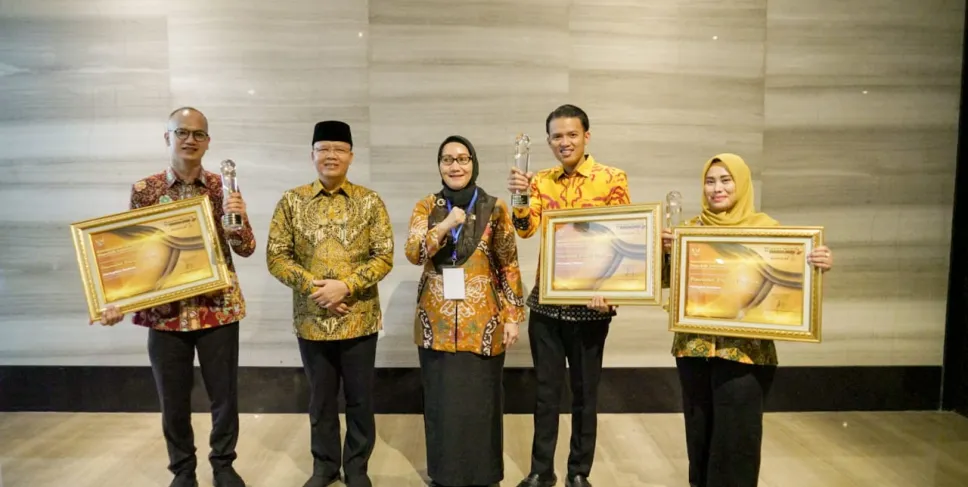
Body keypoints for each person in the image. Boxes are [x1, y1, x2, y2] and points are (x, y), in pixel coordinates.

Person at [98, 107, 255, 487]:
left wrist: (236, 220)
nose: (190, 140)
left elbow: (247, 248)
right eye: (182, 132)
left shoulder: (223, 187)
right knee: (173, 400)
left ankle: (223, 466)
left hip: (217, 309)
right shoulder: (145, 190)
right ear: (167, 137)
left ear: (208, 142)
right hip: (165, 314)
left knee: (224, 397)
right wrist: (118, 299)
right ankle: (183, 471)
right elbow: (134, 254)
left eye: (198, 134)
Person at [660, 153, 834, 487]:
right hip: (694, 349)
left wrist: (818, 261)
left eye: (726, 180)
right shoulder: (690, 231)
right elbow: (669, 283)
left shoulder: (766, 230)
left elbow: (792, 271)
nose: (717, 188)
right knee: (700, 436)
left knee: (737, 439)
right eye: (710, 181)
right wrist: (666, 254)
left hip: (747, 354)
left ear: (741, 184)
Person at [507, 105, 630, 487]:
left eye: (572, 134)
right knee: (545, 394)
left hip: (592, 305)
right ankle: (541, 470)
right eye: (557, 136)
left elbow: (624, 236)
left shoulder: (612, 179)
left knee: (585, 394)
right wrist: (520, 197)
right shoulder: (540, 181)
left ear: (586, 136)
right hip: (547, 303)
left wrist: (611, 292)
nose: (565, 142)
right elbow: (525, 229)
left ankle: (579, 472)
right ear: (548, 141)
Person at [266, 120, 394, 487]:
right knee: (320, 399)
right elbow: (277, 257)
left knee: (360, 398)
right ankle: (324, 466)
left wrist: (346, 287)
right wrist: (317, 290)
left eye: (339, 149)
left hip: (359, 317)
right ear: (312, 155)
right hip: (312, 320)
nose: (331, 155)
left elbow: (384, 256)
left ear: (351, 156)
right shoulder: (291, 202)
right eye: (323, 149)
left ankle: (357, 468)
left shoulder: (370, 201)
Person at [404, 135, 526, 487]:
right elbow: (414, 253)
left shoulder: (495, 207)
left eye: (462, 158)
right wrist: (444, 226)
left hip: (483, 324)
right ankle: (444, 475)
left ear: (473, 163)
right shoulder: (426, 206)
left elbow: (508, 265)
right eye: (447, 159)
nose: (455, 166)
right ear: (439, 166)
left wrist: (512, 317)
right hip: (436, 325)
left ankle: (484, 476)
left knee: (482, 402)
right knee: (441, 403)